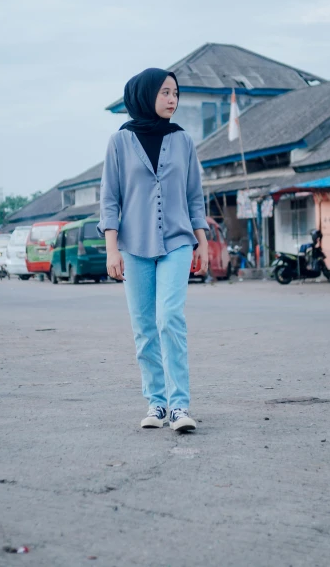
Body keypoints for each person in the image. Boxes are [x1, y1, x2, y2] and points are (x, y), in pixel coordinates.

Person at [98, 68, 209, 432]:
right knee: (144, 327)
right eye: (165, 92)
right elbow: (110, 199)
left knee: (169, 318)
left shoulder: (183, 141)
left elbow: (195, 196)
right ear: (146, 95)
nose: (172, 99)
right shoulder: (119, 142)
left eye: (175, 93)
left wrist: (203, 242)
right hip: (134, 245)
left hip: (177, 241)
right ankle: (156, 403)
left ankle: (179, 406)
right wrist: (112, 249)